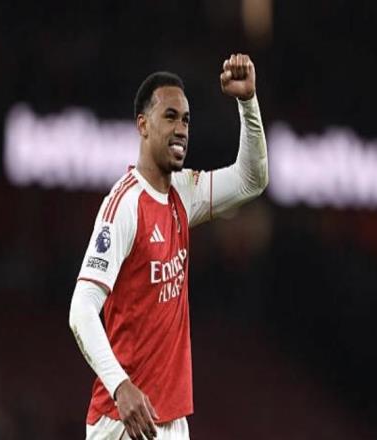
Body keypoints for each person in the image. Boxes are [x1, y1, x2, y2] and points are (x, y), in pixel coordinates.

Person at [69, 53, 268, 440]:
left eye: (186, 120)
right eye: (170, 117)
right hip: (123, 420)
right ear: (142, 125)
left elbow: (251, 180)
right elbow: (81, 309)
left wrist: (247, 102)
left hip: (171, 419)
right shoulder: (124, 206)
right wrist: (121, 386)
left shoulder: (183, 193)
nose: (181, 129)